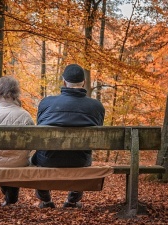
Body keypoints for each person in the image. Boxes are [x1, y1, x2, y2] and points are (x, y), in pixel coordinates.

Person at [31, 64, 105, 209]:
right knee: (81, 155)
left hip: (48, 160)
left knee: (39, 156)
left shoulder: (46, 103)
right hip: (80, 160)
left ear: (64, 82)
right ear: (83, 82)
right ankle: (72, 201)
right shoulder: (96, 107)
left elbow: (40, 129)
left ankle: (46, 201)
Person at [0, 76, 35, 206]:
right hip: (19, 161)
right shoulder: (24, 115)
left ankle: (10, 198)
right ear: (16, 94)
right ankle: (11, 198)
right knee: (14, 161)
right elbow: (32, 143)